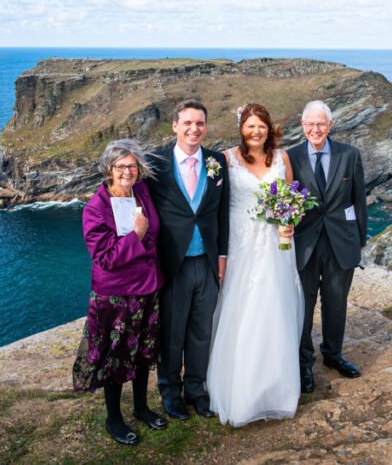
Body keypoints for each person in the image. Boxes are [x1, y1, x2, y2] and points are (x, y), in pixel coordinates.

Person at [207, 103, 303, 426]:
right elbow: (213, 204)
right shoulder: (226, 159)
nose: (256, 131)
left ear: (269, 127)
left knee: (275, 309)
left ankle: (276, 390)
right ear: (241, 129)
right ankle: (241, 392)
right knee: (244, 310)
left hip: (277, 246)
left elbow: (290, 199)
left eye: (261, 125)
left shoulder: (283, 158)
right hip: (243, 245)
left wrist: (289, 222)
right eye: (250, 126)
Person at [72, 139, 166, 446]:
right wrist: (137, 236)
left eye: (132, 165)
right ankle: (114, 418)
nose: (127, 171)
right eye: (121, 166)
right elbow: (105, 259)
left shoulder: (142, 192)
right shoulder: (95, 209)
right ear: (108, 169)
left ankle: (141, 408)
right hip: (115, 296)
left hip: (147, 289)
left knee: (143, 352)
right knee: (115, 358)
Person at [147, 99, 230, 420]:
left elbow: (221, 212)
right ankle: (170, 391)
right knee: (172, 332)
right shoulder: (155, 163)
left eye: (200, 123)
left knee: (201, 330)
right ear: (175, 126)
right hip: (173, 265)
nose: (194, 129)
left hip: (207, 263)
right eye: (188, 123)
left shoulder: (216, 162)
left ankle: (196, 389)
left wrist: (222, 255)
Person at [287, 100, 368, 394]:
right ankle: (303, 363)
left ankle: (333, 354)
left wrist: (359, 242)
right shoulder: (290, 157)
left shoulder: (350, 155)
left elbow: (359, 200)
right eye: (310, 124)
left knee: (336, 304)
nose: (315, 129)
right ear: (303, 125)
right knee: (303, 308)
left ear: (330, 126)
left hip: (340, 244)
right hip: (304, 244)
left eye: (321, 124)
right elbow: (285, 201)